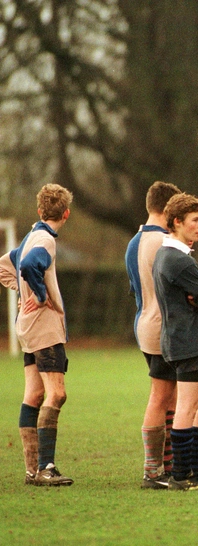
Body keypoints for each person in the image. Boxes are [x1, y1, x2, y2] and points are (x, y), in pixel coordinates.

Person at [0, 184, 74, 486]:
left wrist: (23, 289)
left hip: (26, 326)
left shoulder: (31, 235)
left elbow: (6, 266)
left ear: (40, 211)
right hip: (44, 326)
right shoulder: (45, 240)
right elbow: (31, 265)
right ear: (66, 214)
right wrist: (40, 294)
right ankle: (46, 467)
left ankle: (32, 470)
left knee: (34, 393)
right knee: (57, 393)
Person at [153, 193, 198, 491]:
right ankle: (180, 476)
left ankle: (193, 472)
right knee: (187, 407)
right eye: (195, 220)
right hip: (186, 342)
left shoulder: (167, 256)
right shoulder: (179, 261)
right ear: (177, 222)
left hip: (179, 341)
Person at [125, 180, 181, 489]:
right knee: (160, 396)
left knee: (168, 396)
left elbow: (135, 288)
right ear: (169, 209)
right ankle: (153, 471)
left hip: (143, 321)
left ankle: (166, 467)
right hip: (161, 325)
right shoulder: (162, 242)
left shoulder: (135, 241)